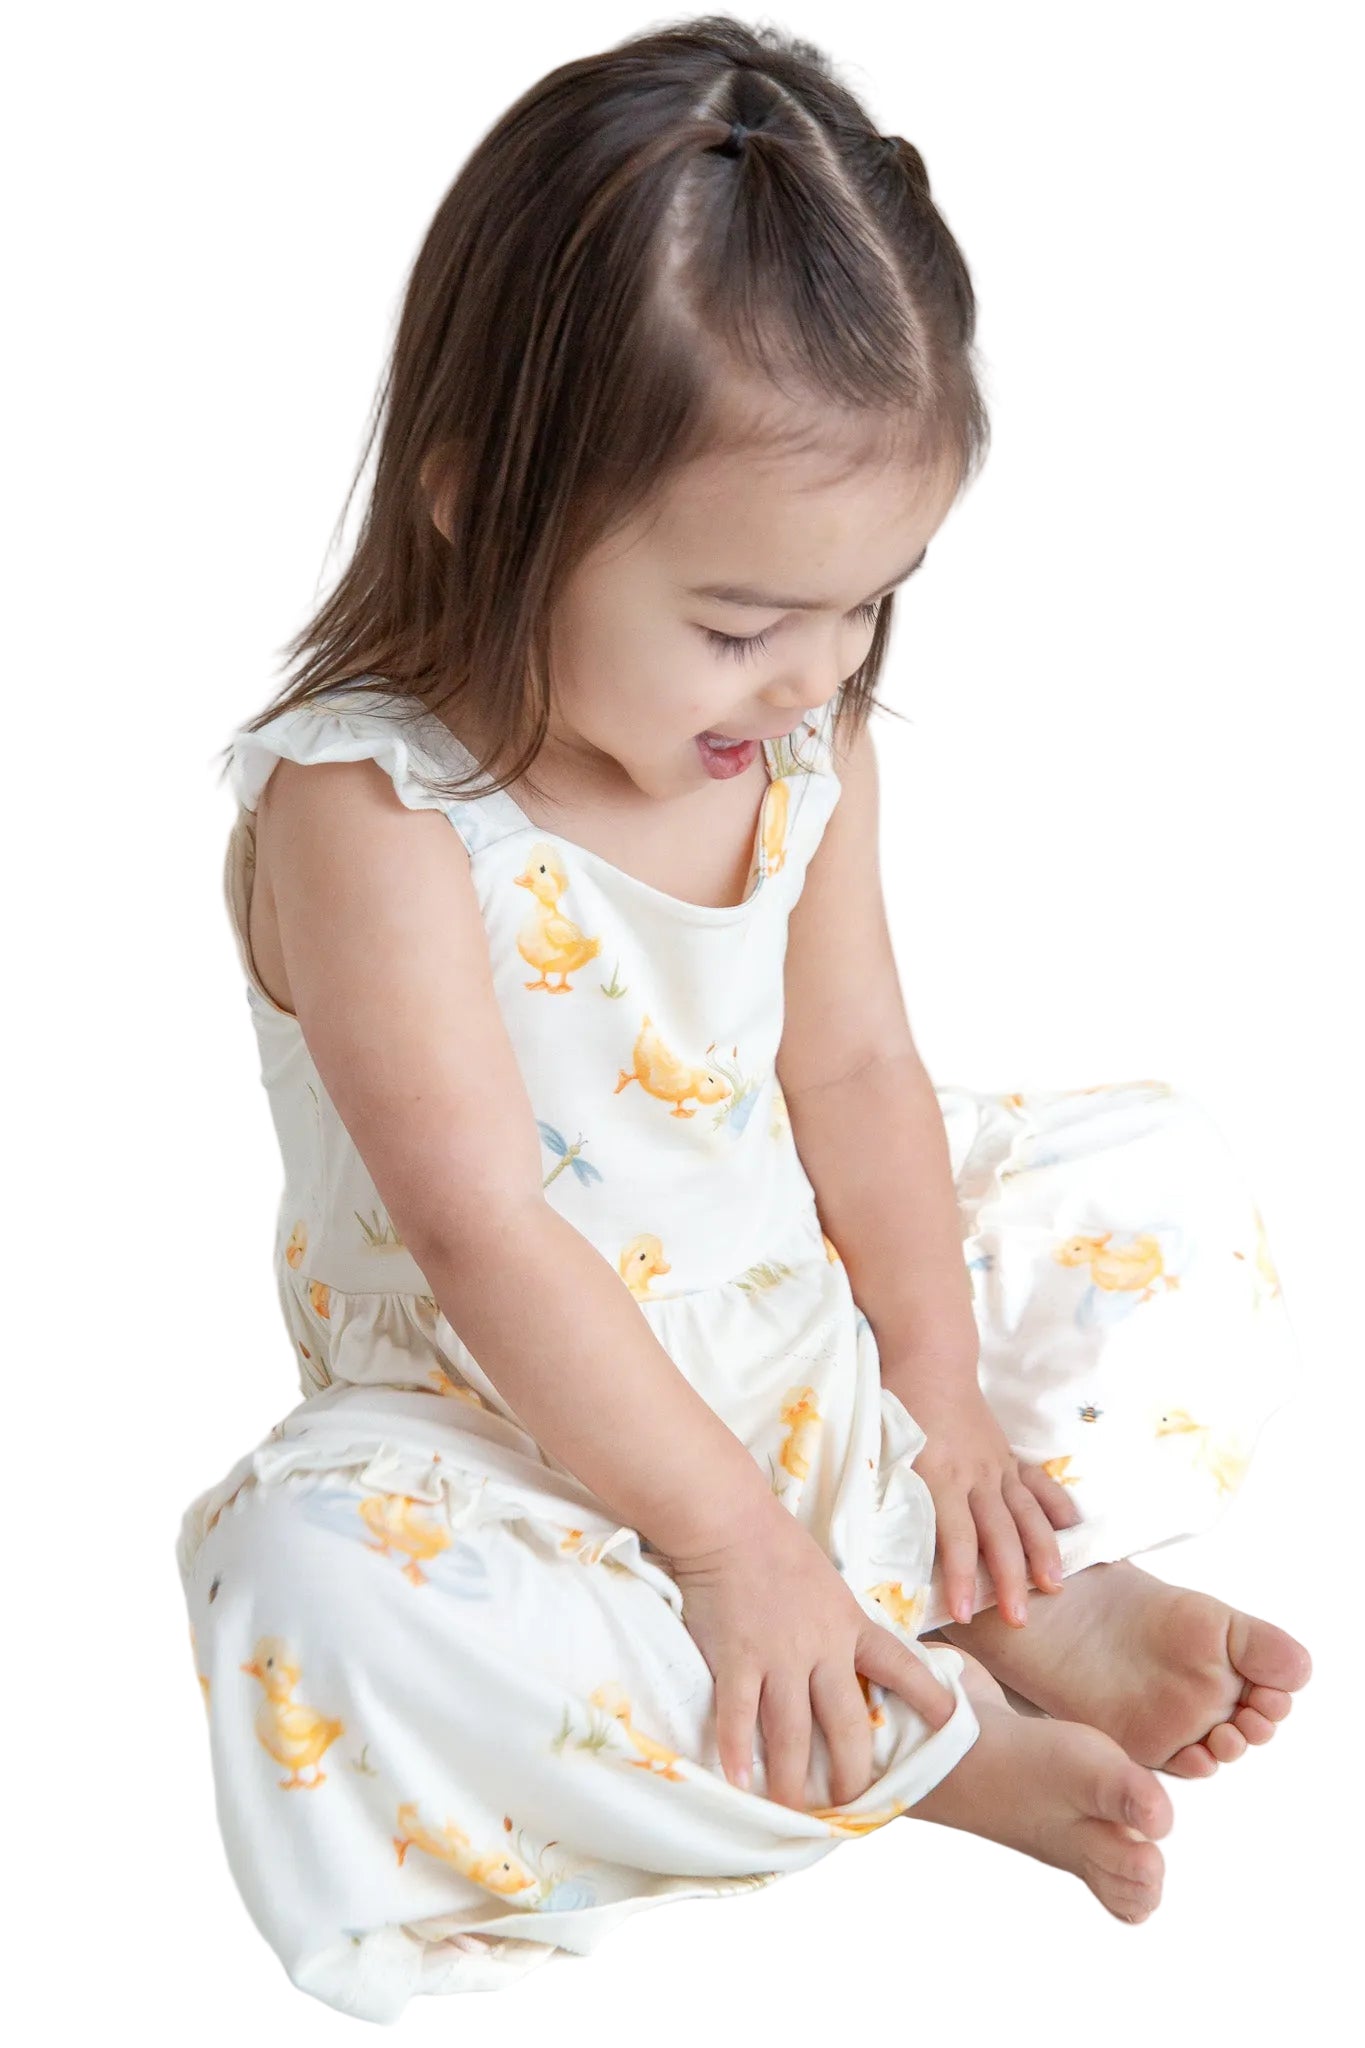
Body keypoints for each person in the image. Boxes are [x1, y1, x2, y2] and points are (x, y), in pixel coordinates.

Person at [175, 14, 1312, 2022]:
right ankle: (916, 1741)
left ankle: (1002, 1584)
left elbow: (855, 1069)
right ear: (474, 498)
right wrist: (724, 1548)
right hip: (530, 1432)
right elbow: (479, 1228)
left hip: (810, 1338)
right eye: (736, 619)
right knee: (310, 1582)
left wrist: (940, 1393)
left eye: (865, 601)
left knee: (1153, 1171)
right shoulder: (370, 812)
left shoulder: (796, 753)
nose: (809, 675)